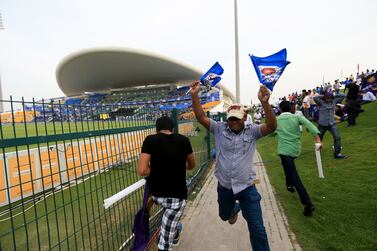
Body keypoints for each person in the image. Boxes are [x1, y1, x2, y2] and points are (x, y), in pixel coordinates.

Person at [190, 80, 276, 251]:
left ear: (244, 117)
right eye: (231, 119)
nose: (233, 122)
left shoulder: (252, 132)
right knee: (224, 216)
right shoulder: (219, 129)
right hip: (225, 187)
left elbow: (272, 126)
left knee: (258, 229)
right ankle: (234, 209)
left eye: (237, 118)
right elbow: (200, 117)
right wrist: (194, 96)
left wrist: (265, 103)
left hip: (247, 188)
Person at [137, 116, 196, 251]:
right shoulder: (184, 140)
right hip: (176, 198)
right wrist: (178, 166)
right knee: (164, 243)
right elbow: (192, 165)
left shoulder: (150, 140)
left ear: (157, 130)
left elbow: (142, 170)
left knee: (168, 225)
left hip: (157, 196)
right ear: (173, 129)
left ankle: (174, 230)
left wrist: (158, 169)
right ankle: (174, 231)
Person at [276, 101, 322, 216]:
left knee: (294, 176)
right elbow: (311, 126)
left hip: (284, 151)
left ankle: (308, 204)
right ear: (291, 108)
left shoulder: (277, 120)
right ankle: (289, 185)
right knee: (287, 168)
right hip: (295, 150)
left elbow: (269, 132)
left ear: (280, 109)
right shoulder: (297, 117)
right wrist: (318, 139)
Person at [314, 91, 348, 159]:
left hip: (332, 123)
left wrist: (333, 95)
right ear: (324, 97)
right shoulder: (321, 102)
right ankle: (318, 153)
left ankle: (337, 154)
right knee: (319, 139)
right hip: (322, 124)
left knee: (337, 137)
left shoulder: (334, 101)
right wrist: (324, 96)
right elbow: (315, 97)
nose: (328, 99)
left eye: (330, 98)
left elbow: (343, 95)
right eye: (327, 98)